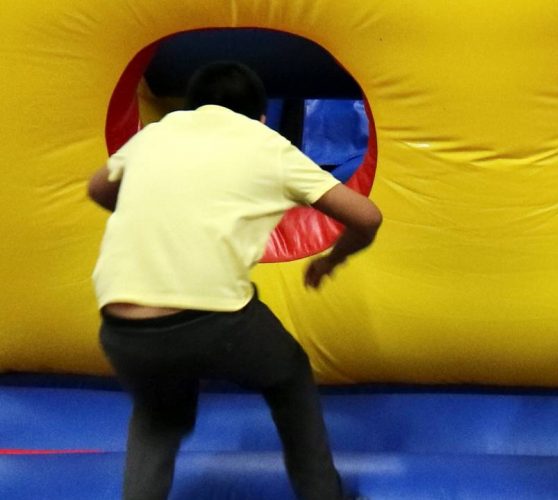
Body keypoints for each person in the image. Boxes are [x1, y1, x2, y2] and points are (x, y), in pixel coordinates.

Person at [87, 61, 381, 500]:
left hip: (121, 328)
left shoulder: (156, 133)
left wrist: (156, 216)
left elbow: (98, 188)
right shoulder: (265, 143)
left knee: (158, 416)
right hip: (215, 322)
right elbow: (366, 216)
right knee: (289, 375)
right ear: (260, 117)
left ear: (191, 107)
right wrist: (329, 262)